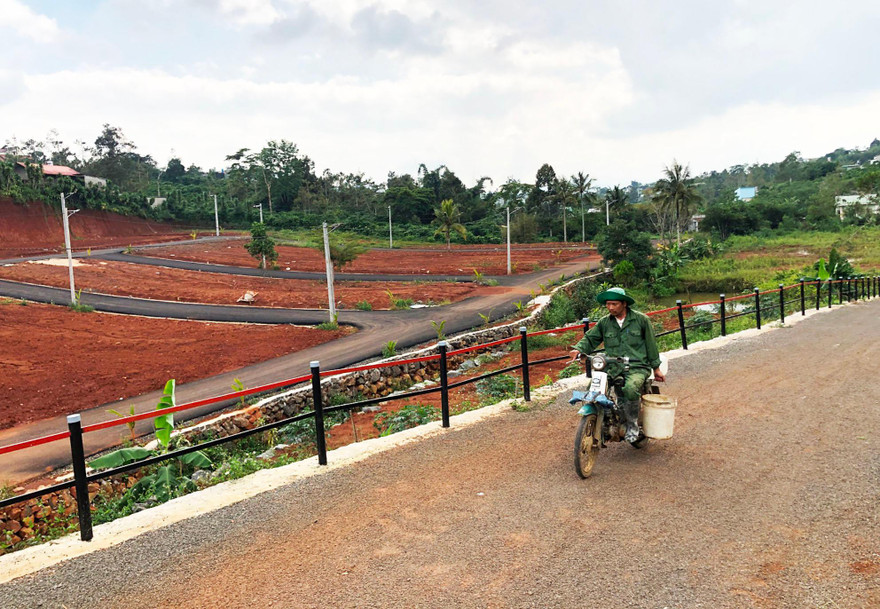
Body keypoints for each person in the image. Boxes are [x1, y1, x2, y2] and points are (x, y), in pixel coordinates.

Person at [569, 287, 665, 443]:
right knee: (593, 387)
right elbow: (590, 338)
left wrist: (656, 368)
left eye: (614, 304)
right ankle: (603, 416)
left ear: (624, 304)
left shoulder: (641, 320)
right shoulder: (605, 322)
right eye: (608, 304)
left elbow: (651, 344)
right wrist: (578, 350)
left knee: (631, 388)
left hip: (637, 366)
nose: (610, 308)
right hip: (612, 365)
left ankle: (632, 424)